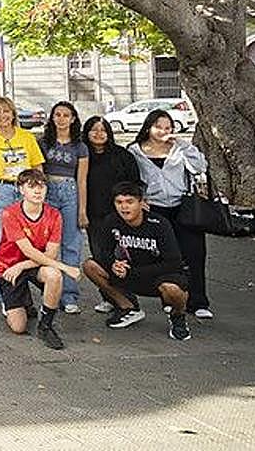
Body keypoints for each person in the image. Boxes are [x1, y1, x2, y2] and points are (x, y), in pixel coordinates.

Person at [128, 110, 214, 318]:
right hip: (154, 208)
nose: (163, 132)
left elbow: (200, 167)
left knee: (194, 252)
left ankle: (198, 301)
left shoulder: (179, 149)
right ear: (149, 127)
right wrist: (141, 200)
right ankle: (169, 298)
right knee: (163, 256)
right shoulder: (135, 150)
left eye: (168, 128)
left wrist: (184, 144)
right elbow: (131, 178)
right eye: (159, 127)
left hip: (182, 208)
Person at [82, 182, 192, 340]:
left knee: (173, 290)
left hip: (159, 276)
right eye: (119, 202)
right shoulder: (112, 221)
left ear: (142, 203)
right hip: (128, 273)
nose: (124, 207)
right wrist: (113, 264)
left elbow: (173, 262)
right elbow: (103, 251)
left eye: (129, 202)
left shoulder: (159, 224)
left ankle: (178, 317)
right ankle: (128, 307)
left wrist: (134, 272)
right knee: (90, 266)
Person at [0, 168, 81, 350]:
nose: (38, 190)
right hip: (9, 267)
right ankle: (24, 301)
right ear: (20, 189)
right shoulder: (10, 213)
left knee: (53, 275)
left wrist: (23, 266)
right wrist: (66, 268)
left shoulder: (54, 215)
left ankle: (46, 325)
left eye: (42, 186)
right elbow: (29, 250)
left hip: (33, 265)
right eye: (31, 186)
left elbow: (50, 254)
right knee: (18, 327)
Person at [0, 96, 45, 307]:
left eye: (6, 111)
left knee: (28, 245)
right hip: (0, 191)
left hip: (25, 192)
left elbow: (38, 168)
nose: (2, 116)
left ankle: (26, 294)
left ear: (13, 113)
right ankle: (4, 295)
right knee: (1, 245)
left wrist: (39, 194)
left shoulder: (26, 138)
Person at [82, 115, 141, 312]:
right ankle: (108, 297)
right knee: (100, 255)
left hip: (118, 215)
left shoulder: (121, 155)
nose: (99, 134)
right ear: (87, 132)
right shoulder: (82, 155)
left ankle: (127, 298)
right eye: (94, 129)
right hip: (94, 216)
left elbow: (134, 182)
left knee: (121, 256)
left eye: (103, 130)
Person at [40, 101, 89, 314]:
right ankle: (50, 292)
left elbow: (82, 181)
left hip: (70, 193)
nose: (61, 119)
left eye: (65, 115)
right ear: (52, 118)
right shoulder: (43, 143)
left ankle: (69, 296)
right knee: (47, 246)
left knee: (71, 244)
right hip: (47, 192)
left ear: (73, 119)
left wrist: (82, 210)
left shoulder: (80, 146)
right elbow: (38, 173)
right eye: (57, 114)